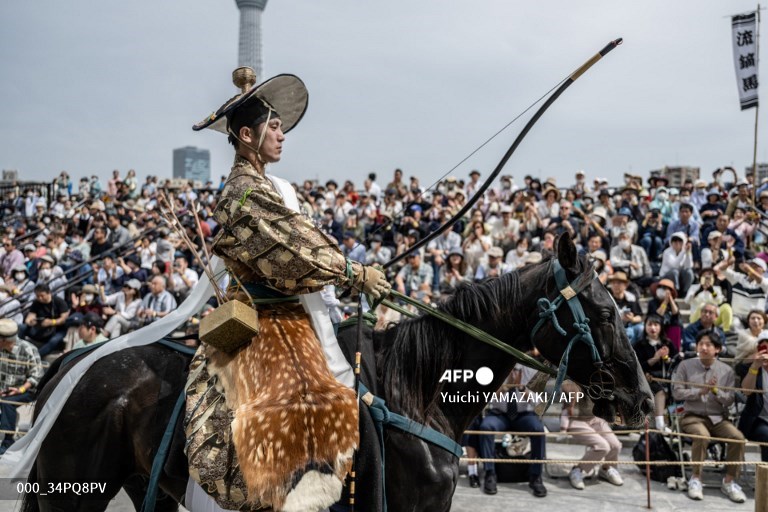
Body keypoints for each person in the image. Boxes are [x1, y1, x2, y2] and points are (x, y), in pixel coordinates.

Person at [672, 330, 746, 503]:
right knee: (701, 435)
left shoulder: (726, 371)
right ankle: (696, 479)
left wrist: (715, 390)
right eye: (701, 344)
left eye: (708, 345)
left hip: (718, 418)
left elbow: (728, 401)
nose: (703, 348)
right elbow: (677, 393)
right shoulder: (685, 365)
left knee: (738, 438)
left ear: (717, 349)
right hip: (693, 416)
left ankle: (729, 481)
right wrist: (700, 391)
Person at [475, 364, 548, 497]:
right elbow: (486, 398)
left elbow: (538, 402)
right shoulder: (496, 368)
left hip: (523, 415)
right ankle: (490, 473)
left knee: (538, 429)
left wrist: (521, 388)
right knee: (486, 427)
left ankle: (536, 476)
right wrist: (505, 387)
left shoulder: (532, 372)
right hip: (499, 414)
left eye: (517, 369)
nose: (515, 371)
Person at [560, 380, 624, 490]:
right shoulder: (569, 380)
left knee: (616, 445)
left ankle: (606, 469)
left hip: (595, 419)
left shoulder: (598, 377)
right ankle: (578, 470)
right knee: (603, 447)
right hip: (575, 420)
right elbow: (567, 388)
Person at [0, 319, 43, 454]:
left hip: (26, 389)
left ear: (4, 340)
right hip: (5, 388)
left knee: (7, 402)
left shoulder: (28, 349)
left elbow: (36, 376)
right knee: (5, 399)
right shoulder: (2, 349)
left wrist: (20, 389)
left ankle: (8, 441)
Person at [633, 314, 678, 431]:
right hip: (648, 380)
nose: (653, 328)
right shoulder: (639, 345)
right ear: (645, 327)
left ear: (661, 327)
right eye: (650, 324)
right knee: (659, 390)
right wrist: (656, 357)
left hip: (667, 378)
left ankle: (674, 423)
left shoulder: (668, 343)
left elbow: (676, 362)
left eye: (656, 325)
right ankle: (660, 422)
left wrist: (667, 359)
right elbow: (638, 366)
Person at [737, 332, 768, 462]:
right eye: (763, 348)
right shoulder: (748, 368)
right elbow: (747, 391)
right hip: (758, 420)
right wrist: (755, 366)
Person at [19, 283, 69, 356]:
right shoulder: (36, 302)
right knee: (22, 327)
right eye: (37, 296)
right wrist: (31, 322)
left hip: (57, 330)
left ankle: (36, 356)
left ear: (49, 293)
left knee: (54, 341)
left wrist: (51, 322)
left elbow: (63, 319)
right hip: (41, 329)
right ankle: (20, 349)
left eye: (42, 296)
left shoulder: (59, 301)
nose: (40, 298)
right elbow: (29, 317)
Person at [607, 272, 643, 345]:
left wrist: (632, 319)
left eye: (619, 283)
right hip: (613, 327)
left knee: (640, 328)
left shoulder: (631, 298)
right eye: (613, 283)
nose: (616, 285)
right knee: (628, 333)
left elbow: (640, 317)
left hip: (630, 326)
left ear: (625, 285)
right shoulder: (607, 298)